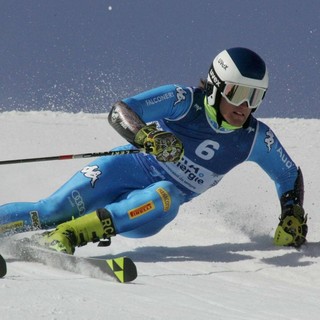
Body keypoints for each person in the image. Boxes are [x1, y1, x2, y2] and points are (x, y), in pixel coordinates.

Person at [0, 47, 308, 254]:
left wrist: (291, 214)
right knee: (52, 210)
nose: (245, 107)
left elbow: (288, 174)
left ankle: (68, 236)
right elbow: (121, 110)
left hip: (147, 212)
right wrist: (146, 136)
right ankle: (52, 227)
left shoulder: (256, 138)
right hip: (122, 170)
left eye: (255, 97)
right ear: (215, 86)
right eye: (238, 93)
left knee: (166, 193)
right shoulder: (183, 100)